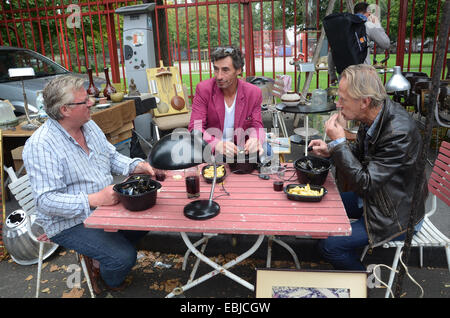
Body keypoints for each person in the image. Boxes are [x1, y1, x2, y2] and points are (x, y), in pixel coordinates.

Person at [22, 75, 154, 294]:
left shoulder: (88, 125)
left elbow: (111, 156)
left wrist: (136, 166)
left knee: (147, 219)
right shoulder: (41, 146)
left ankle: (101, 256)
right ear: (65, 110)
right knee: (123, 257)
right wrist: (93, 199)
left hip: (104, 207)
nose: (92, 102)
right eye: (85, 101)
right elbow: (45, 201)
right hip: (68, 222)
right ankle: (107, 279)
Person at [308, 64, 426, 270]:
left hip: (395, 215)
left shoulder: (398, 133)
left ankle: (359, 283)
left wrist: (339, 144)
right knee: (319, 205)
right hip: (375, 200)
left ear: (365, 101)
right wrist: (332, 150)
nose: (338, 103)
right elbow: (363, 158)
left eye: (343, 98)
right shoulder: (372, 116)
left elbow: (366, 183)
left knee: (330, 246)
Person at [188, 46, 267, 158]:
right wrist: (217, 144)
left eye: (225, 70)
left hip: (240, 152)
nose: (219, 76)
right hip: (211, 151)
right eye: (216, 69)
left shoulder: (253, 93)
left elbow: (257, 125)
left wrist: (255, 139)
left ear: (238, 70)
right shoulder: (204, 89)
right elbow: (195, 128)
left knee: (268, 151)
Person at [328, 2, 391, 84]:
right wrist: (377, 25)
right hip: (363, 77)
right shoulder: (367, 25)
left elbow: (332, 52)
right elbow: (386, 43)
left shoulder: (341, 27)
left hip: (344, 77)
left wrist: (332, 75)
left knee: (345, 97)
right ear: (368, 13)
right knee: (363, 97)